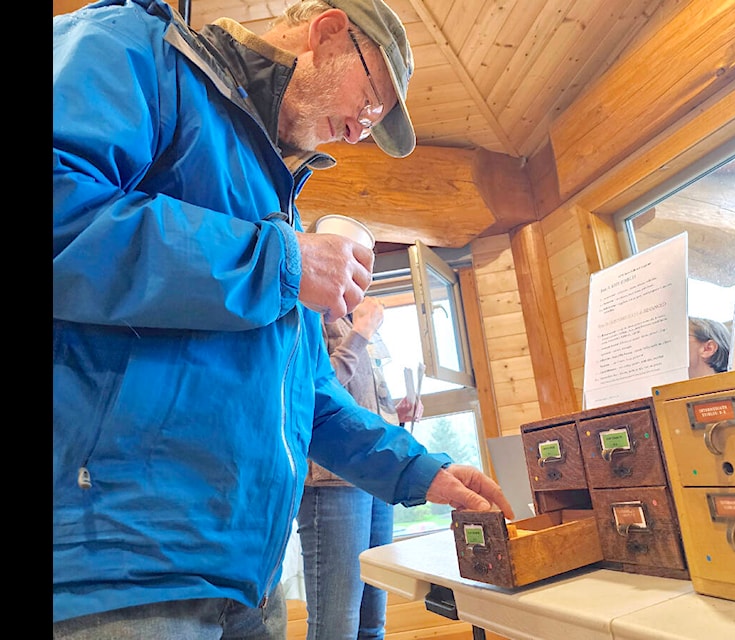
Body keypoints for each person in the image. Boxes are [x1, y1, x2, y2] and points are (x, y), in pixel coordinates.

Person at [52, 1, 515, 638]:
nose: (359, 132)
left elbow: (311, 396)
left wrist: (420, 470)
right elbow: (63, 214)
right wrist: (280, 261)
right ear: (326, 32)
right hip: (120, 566)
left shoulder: (278, 206)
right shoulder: (135, 45)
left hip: (249, 580)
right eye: (371, 97)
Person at [298, 295, 421, 640]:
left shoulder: (353, 317)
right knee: (337, 625)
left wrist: (395, 410)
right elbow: (310, 388)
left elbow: (356, 399)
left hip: (376, 476)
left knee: (372, 625)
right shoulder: (310, 308)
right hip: (330, 480)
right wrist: (362, 332)